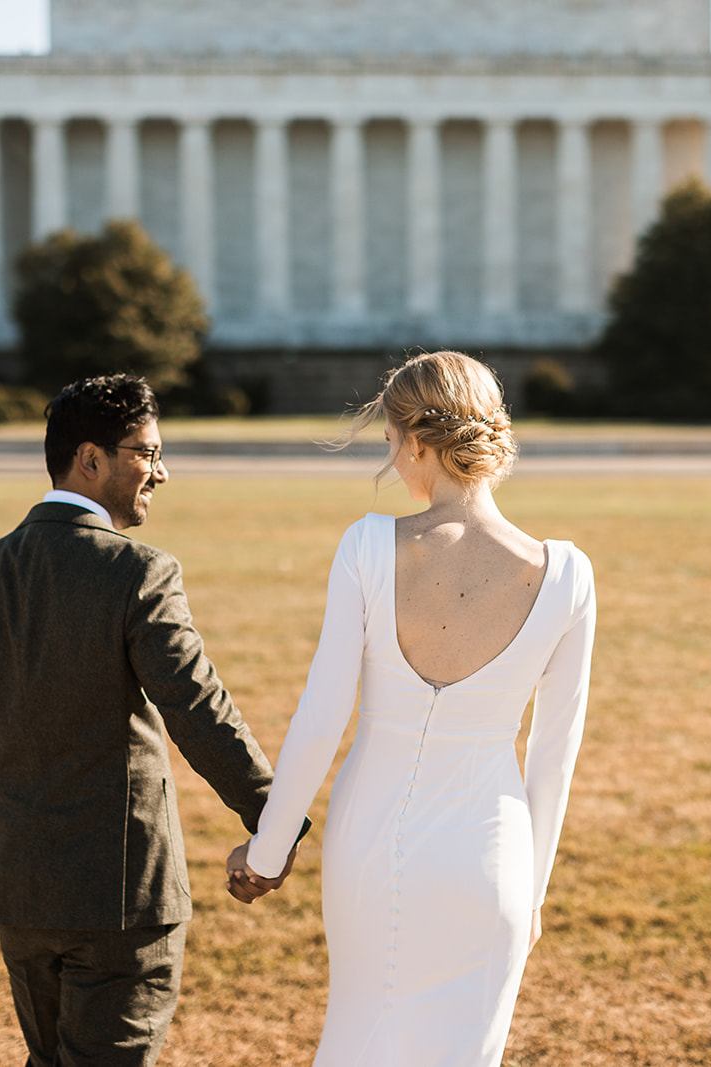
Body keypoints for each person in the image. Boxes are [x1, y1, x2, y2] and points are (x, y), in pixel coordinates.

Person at [228, 351, 597, 1066]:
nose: (394, 458)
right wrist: (531, 898)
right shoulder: (569, 574)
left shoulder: (368, 545)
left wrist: (267, 853)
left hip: (371, 846)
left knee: (362, 1037)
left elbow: (321, 716)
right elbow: (554, 757)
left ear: (420, 443)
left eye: (393, 442)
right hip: (496, 857)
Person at [0, 373, 301, 1067]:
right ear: (91, 459)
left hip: (21, 888)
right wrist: (273, 816)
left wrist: (6, 837)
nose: (161, 472)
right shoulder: (139, 572)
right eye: (147, 453)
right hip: (122, 896)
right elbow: (197, 706)